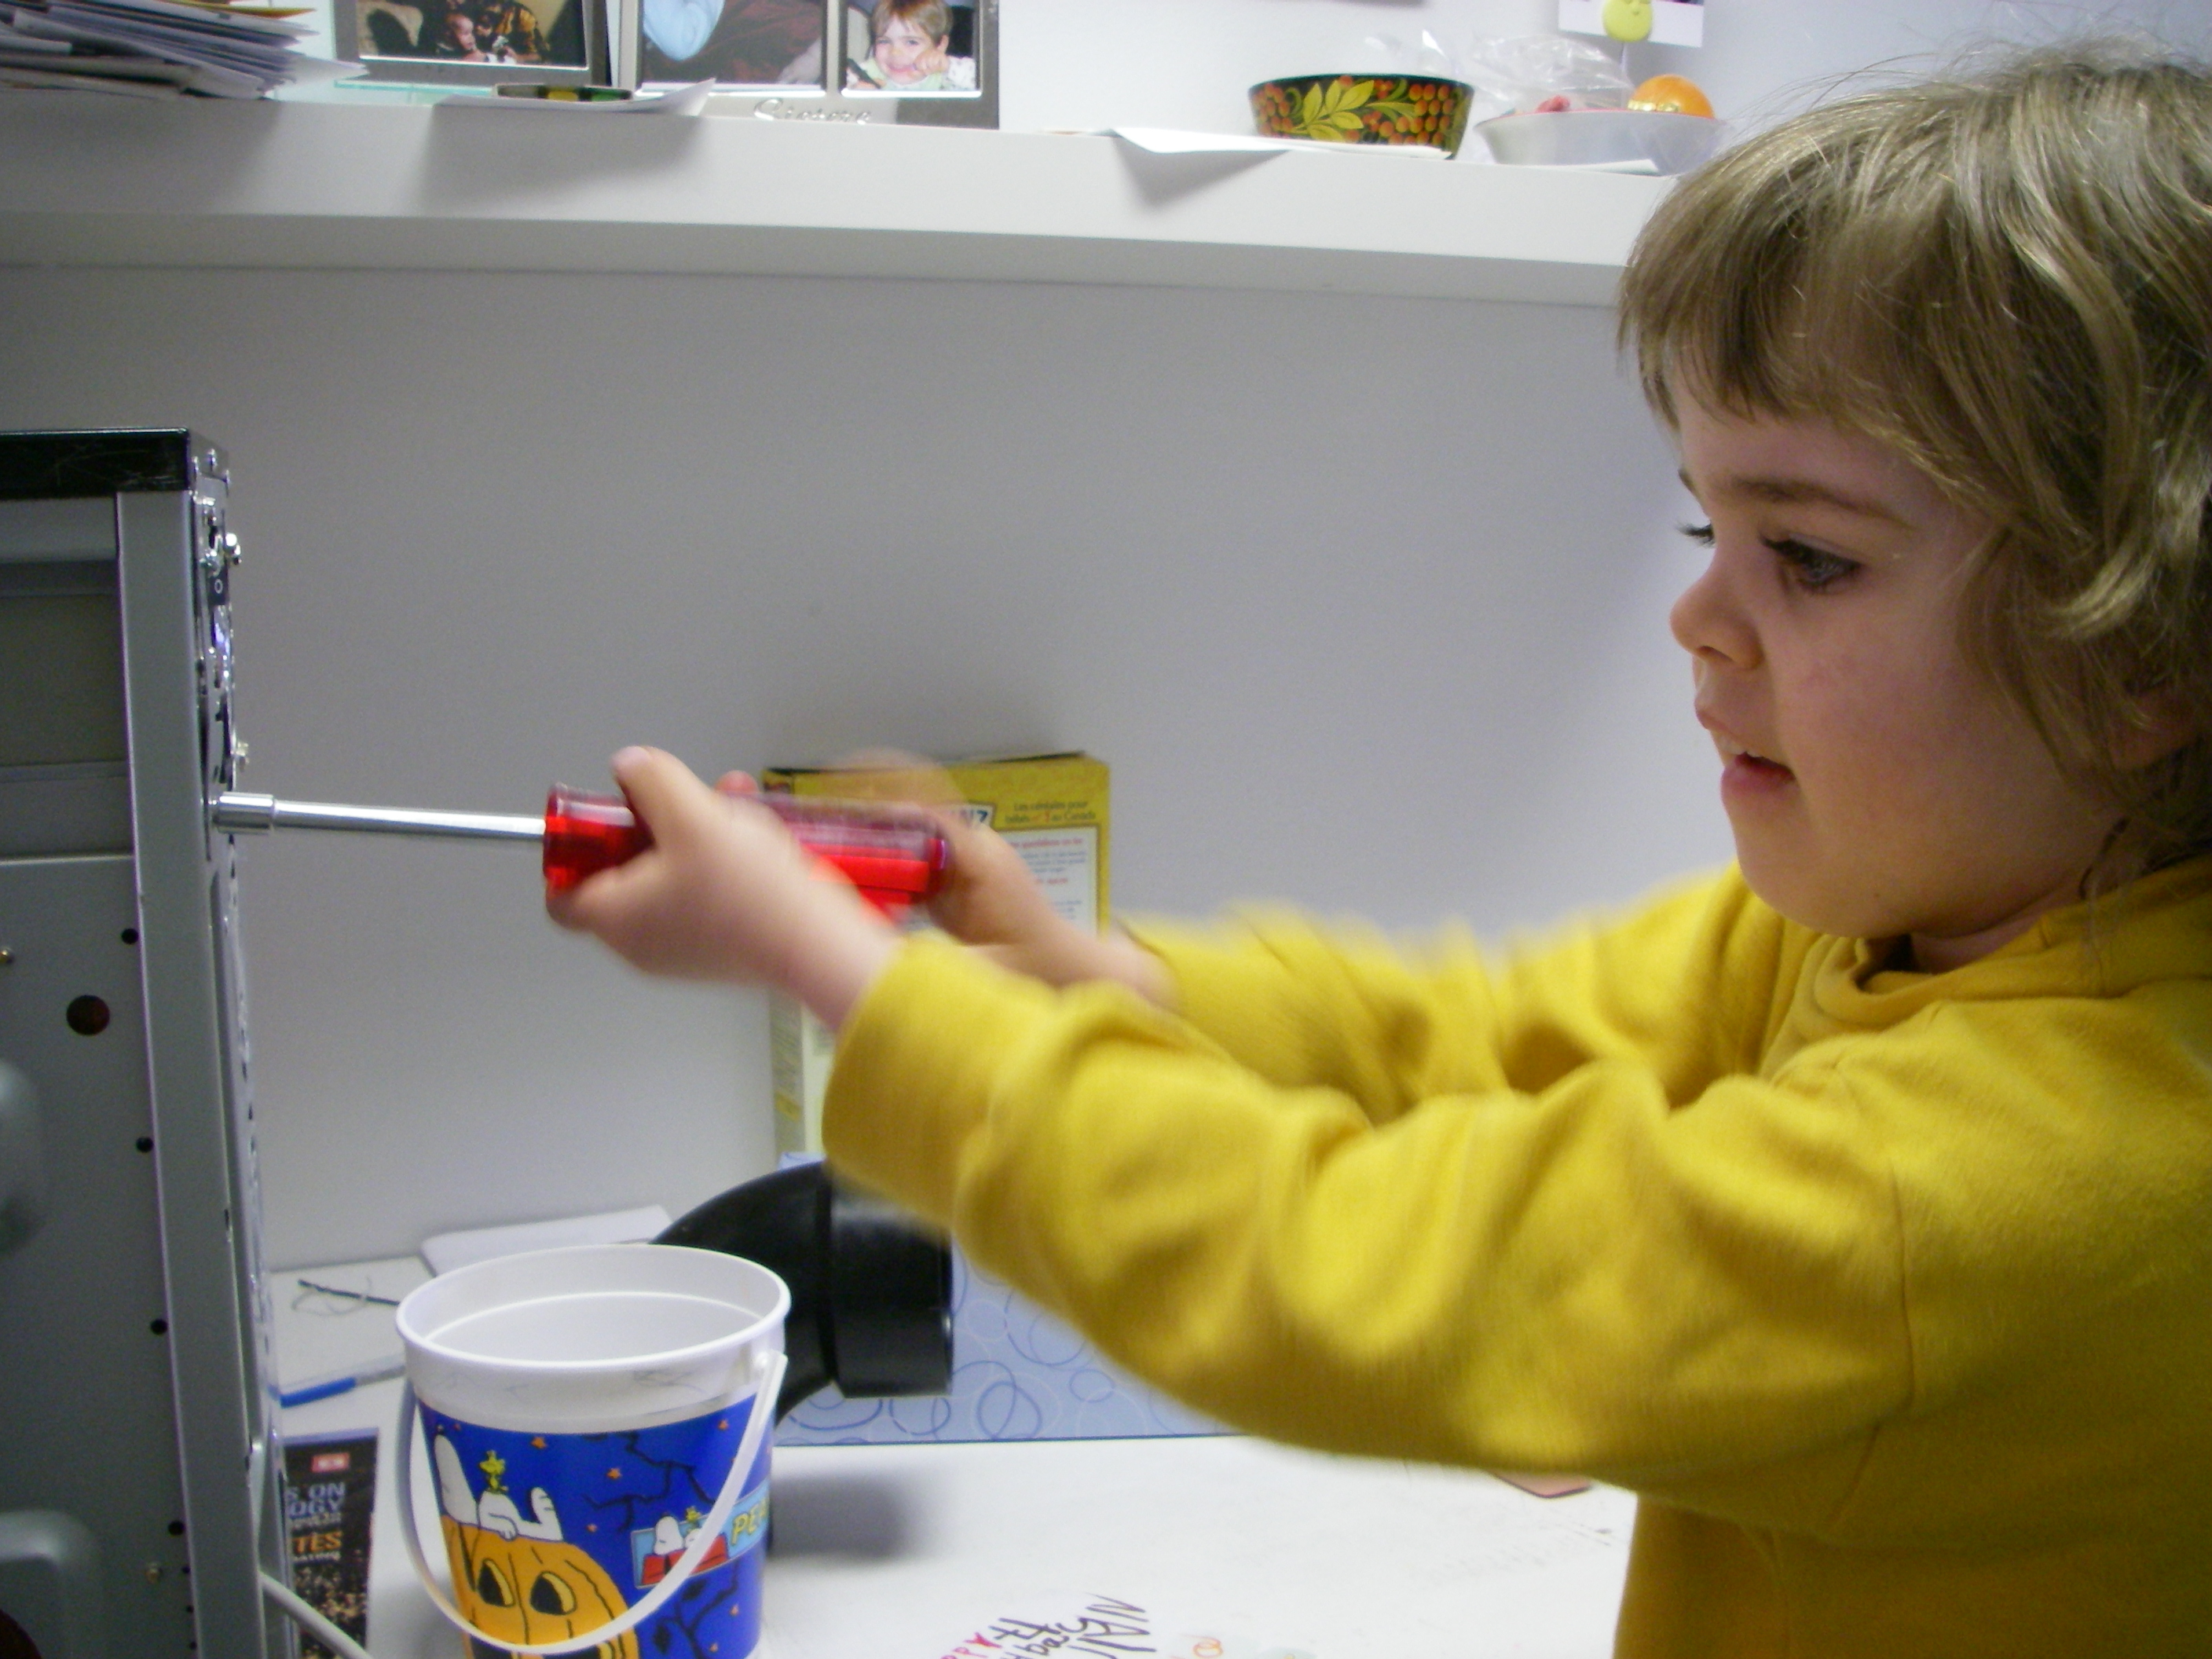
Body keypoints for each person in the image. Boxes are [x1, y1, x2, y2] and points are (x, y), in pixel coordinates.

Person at [551, 42, 2212, 1658]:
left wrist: (834, 968)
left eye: (1810, 556)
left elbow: (1356, 1270)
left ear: (2142, 659)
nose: (1697, 615)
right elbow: (1468, 1040)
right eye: (1708, 525)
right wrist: (1086, 972)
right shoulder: (1889, 923)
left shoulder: (2023, 1178)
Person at [846, 0, 974, 90]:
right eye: (884, 41)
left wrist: (947, 67)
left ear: (940, 45)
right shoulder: (863, 74)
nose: (895, 53)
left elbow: (981, 81)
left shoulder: (946, 73)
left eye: (911, 42)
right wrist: (855, 96)